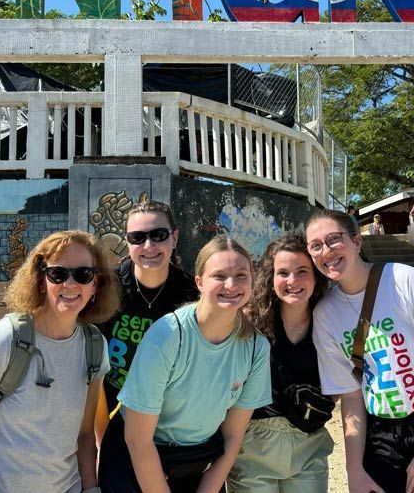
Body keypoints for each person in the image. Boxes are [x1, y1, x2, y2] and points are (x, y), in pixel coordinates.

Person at [305, 210, 414, 493]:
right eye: (316, 246)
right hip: (382, 432)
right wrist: (354, 471)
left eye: (334, 240)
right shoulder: (326, 315)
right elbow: (351, 396)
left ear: (356, 242)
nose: (326, 251)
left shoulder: (404, 281)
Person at [0, 230, 120, 493]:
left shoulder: (94, 346)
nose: (70, 284)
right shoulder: (3, 341)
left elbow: (83, 435)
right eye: (58, 274)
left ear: (95, 284)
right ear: (40, 280)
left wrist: (91, 488)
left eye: (83, 274)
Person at [99, 236, 272, 492]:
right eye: (220, 275)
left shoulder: (256, 347)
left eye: (241, 275)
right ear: (199, 282)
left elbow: (233, 436)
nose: (231, 284)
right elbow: (138, 440)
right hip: (137, 454)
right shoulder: (168, 335)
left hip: (196, 459)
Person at [95, 200, 198, 478]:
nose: (149, 246)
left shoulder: (192, 296)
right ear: (127, 242)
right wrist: (98, 440)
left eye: (158, 235)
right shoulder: (106, 288)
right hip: (110, 407)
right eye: (137, 237)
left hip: (168, 417)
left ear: (174, 237)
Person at [227, 235, 335, 492]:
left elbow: (343, 382)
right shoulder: (249, 322)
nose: (292, 281)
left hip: (309, 444)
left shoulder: (331, 321)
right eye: (283, 272)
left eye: (302, 271)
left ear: (316, 276)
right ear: (271, 277)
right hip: (253, 446)